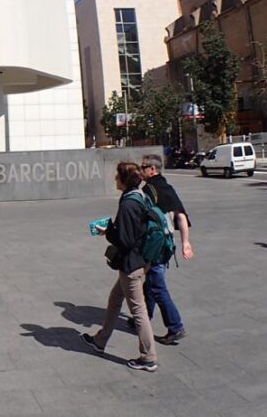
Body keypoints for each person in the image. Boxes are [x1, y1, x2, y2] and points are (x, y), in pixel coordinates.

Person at [82, 161, 158, 372]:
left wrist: (107, 232)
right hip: (140, 260)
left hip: (131, 264)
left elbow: (124, 239)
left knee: (139, 311)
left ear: (124, 180)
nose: (115, 179)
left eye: (117, 176)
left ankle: (148, 356)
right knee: (115, 300)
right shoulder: (139, 196)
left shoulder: (128, 204)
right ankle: (100, 340)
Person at [140, 153, 193, 345]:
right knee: (151, 283)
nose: (141, 170)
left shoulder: (148, 189)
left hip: (155, 244)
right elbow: (181, 216)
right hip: (167, 243)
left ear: (152, 169)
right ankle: (142, 318)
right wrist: (185, 242)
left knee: (157, 285)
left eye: (143, 167)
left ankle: (175, 326)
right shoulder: (168, 187)